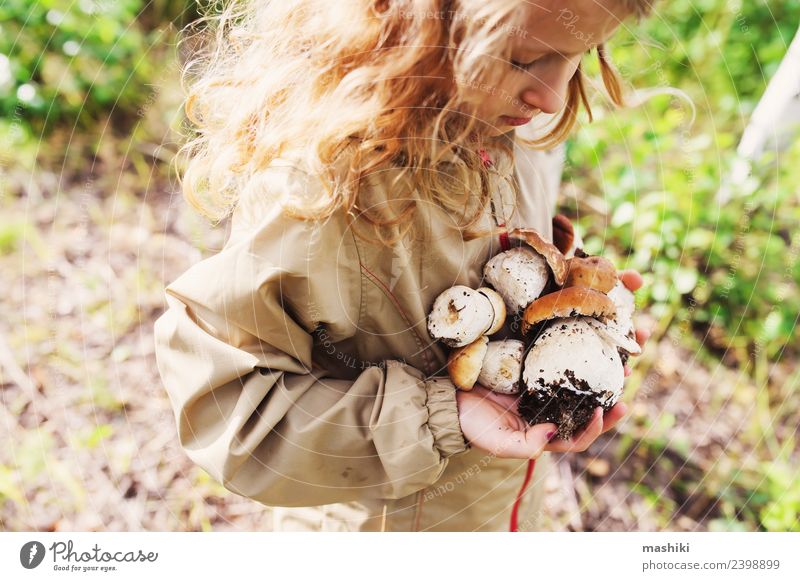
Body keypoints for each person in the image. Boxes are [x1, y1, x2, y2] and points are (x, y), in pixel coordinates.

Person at [153, 0, 653, 531]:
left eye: (577, 53)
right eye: (522, 60)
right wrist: (441, 417)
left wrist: (561, 294)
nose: (551, 99)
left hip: (496, 518)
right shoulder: (326, 196)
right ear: (406, 30)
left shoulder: (506, 128)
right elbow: (233, 418)